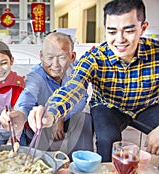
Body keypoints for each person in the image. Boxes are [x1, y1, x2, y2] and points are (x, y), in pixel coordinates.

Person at [27, 0, 159, 162]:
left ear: (143, 28)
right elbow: (73, 88)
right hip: (108, 106)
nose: (120, 40)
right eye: (112, 32)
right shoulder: (94, 58)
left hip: (148, 106)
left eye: (129, 31)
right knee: (107, 139)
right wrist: (50, 113)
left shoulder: (156, 53)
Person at [0, 32, 93, 157]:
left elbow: (82, 98)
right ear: (41, 56)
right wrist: (18, 114)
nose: (55, 64)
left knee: (84, 118)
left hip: (66, 118)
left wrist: (60, 117)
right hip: (42, 123)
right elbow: (26, 98)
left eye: (62, 57)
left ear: (72, 57)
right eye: (49, 57)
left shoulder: (77, 71)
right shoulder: (35, 76)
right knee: (38, 117)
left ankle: (81, 165)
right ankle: (42, 165)